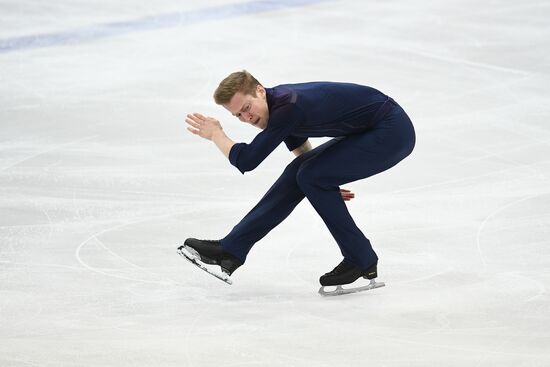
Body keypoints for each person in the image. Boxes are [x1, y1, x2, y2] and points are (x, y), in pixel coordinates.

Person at [181, 70, 415, 290]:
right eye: (238, 115)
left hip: (392, 131)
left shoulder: (287, 108)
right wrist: (327, 179)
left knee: (310, 175)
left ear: (260, 91)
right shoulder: (278, 104)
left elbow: (247, 160)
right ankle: (232, 249)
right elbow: (297, 141)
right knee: (303, 173)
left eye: (246, 107)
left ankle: (360, 258)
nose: (247, 117)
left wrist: (216, 134)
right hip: (372, 129)